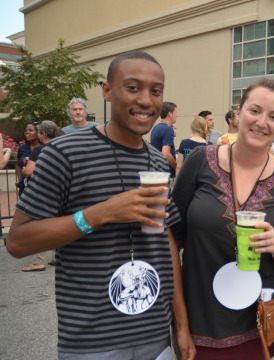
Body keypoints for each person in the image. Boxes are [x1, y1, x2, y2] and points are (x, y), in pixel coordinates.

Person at [6, 51, 195, 359]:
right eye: (132, 87)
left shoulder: (156, 162)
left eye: (155, 91)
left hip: (156, 335)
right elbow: (16, 242)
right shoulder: (64, 153)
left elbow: (167, 242)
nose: (146, 100)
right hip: (93, 342)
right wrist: (101, 213)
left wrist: (182, 326)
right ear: (107, 91)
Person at [170, 78, 274, 359]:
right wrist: (180, 323)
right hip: (199, 321)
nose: (262, 122)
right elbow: (171, 239)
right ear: (238, 113)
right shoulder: (199, 160)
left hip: (257, 321)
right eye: (254, 110)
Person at [20, 120, 64, 272]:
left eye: (38, 132)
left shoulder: (39, 150)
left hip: (44, 191)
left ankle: (38, 261)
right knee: (59, 223)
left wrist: (27, 167)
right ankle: (58, 256)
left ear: (43, 134)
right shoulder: (62, 147)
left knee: (40, 225)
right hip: (62, 190)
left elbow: (28, 172)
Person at [151, 101, 179, 178]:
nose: (177, 115)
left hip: (157, 170)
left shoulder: (156, 128)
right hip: (166, 173)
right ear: (170, 114)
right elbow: (165, 153)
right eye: (175, 112)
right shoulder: (168, 130)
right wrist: (176, 167)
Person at [15, 122, 41, 197]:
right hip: (25, 186)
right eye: (26, 130)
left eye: (30, 130)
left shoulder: (44, 147)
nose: (27, 132)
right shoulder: (22, 148)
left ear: (38, 132)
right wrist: (20, 179)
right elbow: (18, 164)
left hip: (39, 186)